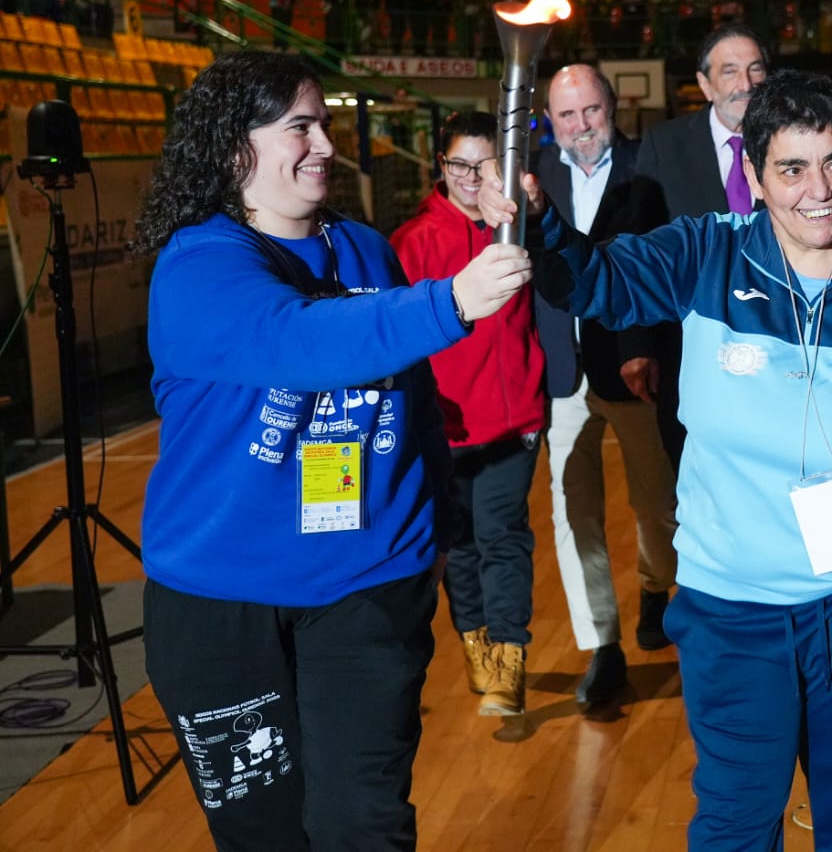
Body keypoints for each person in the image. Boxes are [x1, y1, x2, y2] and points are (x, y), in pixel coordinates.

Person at [490, 69, 832, 850]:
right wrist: (544, 223)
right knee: (735, 824)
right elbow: (599, 285)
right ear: (754, 175)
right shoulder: (706, 254)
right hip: (730, 611)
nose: (818, 191)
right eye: (791, 168)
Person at [131, 51, 532, 850]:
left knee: (364, 823)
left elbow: (409, 394)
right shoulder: (196, 265)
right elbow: (298, 339)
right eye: (298, 128)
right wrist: (452, 300)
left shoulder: (364, 250)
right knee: (264, 835)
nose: (324, 145)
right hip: (220, 607)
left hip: (364, 588)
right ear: (232, 147)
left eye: (324, 124)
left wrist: (430, 529)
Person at [390, 111, 549, 717]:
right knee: (461, 542)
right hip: (447, 425)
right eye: (460, 165)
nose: (471, 178)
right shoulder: (412, 242)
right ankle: (476, 639)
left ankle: (510, 657)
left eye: (485, 165)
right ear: (441, 168)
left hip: (515, 418)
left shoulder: (521, 228)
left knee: (503, 533)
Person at [535, 64, 679, 707]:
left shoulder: (650, 169)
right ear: (551, 120)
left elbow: (658, 268)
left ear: (613, 107)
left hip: (632, 367)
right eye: (568, 115)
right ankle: (603, 647)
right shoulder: (532, 175)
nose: (582, 125)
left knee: (659, 506)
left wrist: (640, 348)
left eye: (591, 110)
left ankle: (656, 588)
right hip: (559, 373)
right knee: (575, 515)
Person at [633, 22, 771, 466]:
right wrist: (637, 346)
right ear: (704, 83)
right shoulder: (664, 145)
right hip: (690, 353)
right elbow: (640, 248)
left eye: (755, 70)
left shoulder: (793, 140)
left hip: (779, 347)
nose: (745, 85)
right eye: (730, 72)